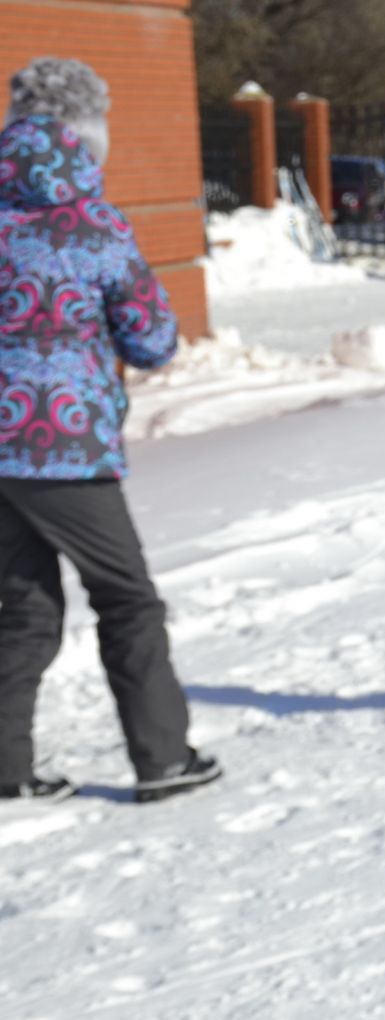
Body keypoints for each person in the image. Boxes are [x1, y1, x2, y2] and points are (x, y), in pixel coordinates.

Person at [0, 58, 220, 803]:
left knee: (23, 604)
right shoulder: (93, 223)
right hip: (64, 445)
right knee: (127, 598)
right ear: (86, 135)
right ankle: (162, 759)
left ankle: (6, 767)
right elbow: (153, 338)